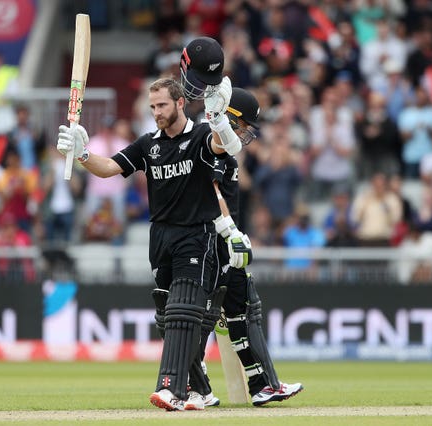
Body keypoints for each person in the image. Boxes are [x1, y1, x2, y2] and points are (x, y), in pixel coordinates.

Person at [57, 42, 242, 411]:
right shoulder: (148, 144)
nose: (156, 112)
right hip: (161, 238)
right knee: (166, 314)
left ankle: (170, 388)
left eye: (162, 106)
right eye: (152, 106)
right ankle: (200, 391)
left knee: (183, 310)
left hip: (196, 234)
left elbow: (226, 147)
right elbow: (110, 168)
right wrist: (81, 154)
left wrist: (219, 118)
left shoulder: (202, 136)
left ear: (179, 103)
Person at [206, 87, 303, 407]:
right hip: (218, 243)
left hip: (219, 241)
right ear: (229, 117)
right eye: (244, 124)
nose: (247, 132)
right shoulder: (214, 147)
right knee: (226, 314)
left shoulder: (223, 148)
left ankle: (261, 383)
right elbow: (213, 190)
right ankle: (197, 386)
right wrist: (230, 230)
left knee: (237, 315)